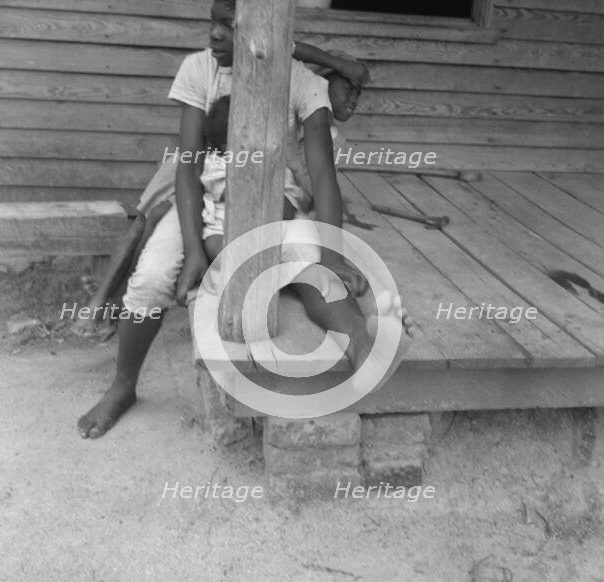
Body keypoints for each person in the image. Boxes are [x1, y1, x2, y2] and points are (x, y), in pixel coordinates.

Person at [77, 0, 415, 439]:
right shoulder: (200, 70)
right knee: (153, 274)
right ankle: (122, 386)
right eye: (212, 23)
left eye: (229, 26)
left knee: (307, 256)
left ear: (263, 31)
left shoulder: (303, 83)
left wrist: (335, 256)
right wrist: (194, 249)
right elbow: (187, 166)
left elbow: (322, 175)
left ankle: (360, 342)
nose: (215, 35)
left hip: (273, 193)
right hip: (205, 191)